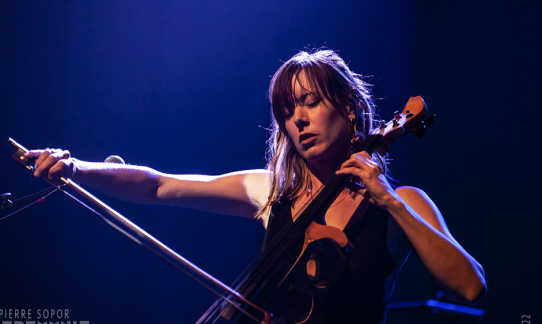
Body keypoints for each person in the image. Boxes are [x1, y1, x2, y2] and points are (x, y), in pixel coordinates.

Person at [26, 49, 486, 324]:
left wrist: (387, 199)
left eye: (310, 102)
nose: (298, 119)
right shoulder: (274, 191)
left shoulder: (400, 204)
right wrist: (78, 168)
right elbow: (159, 187)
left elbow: (470, 286)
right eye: (288, 111)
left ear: (347, 107)